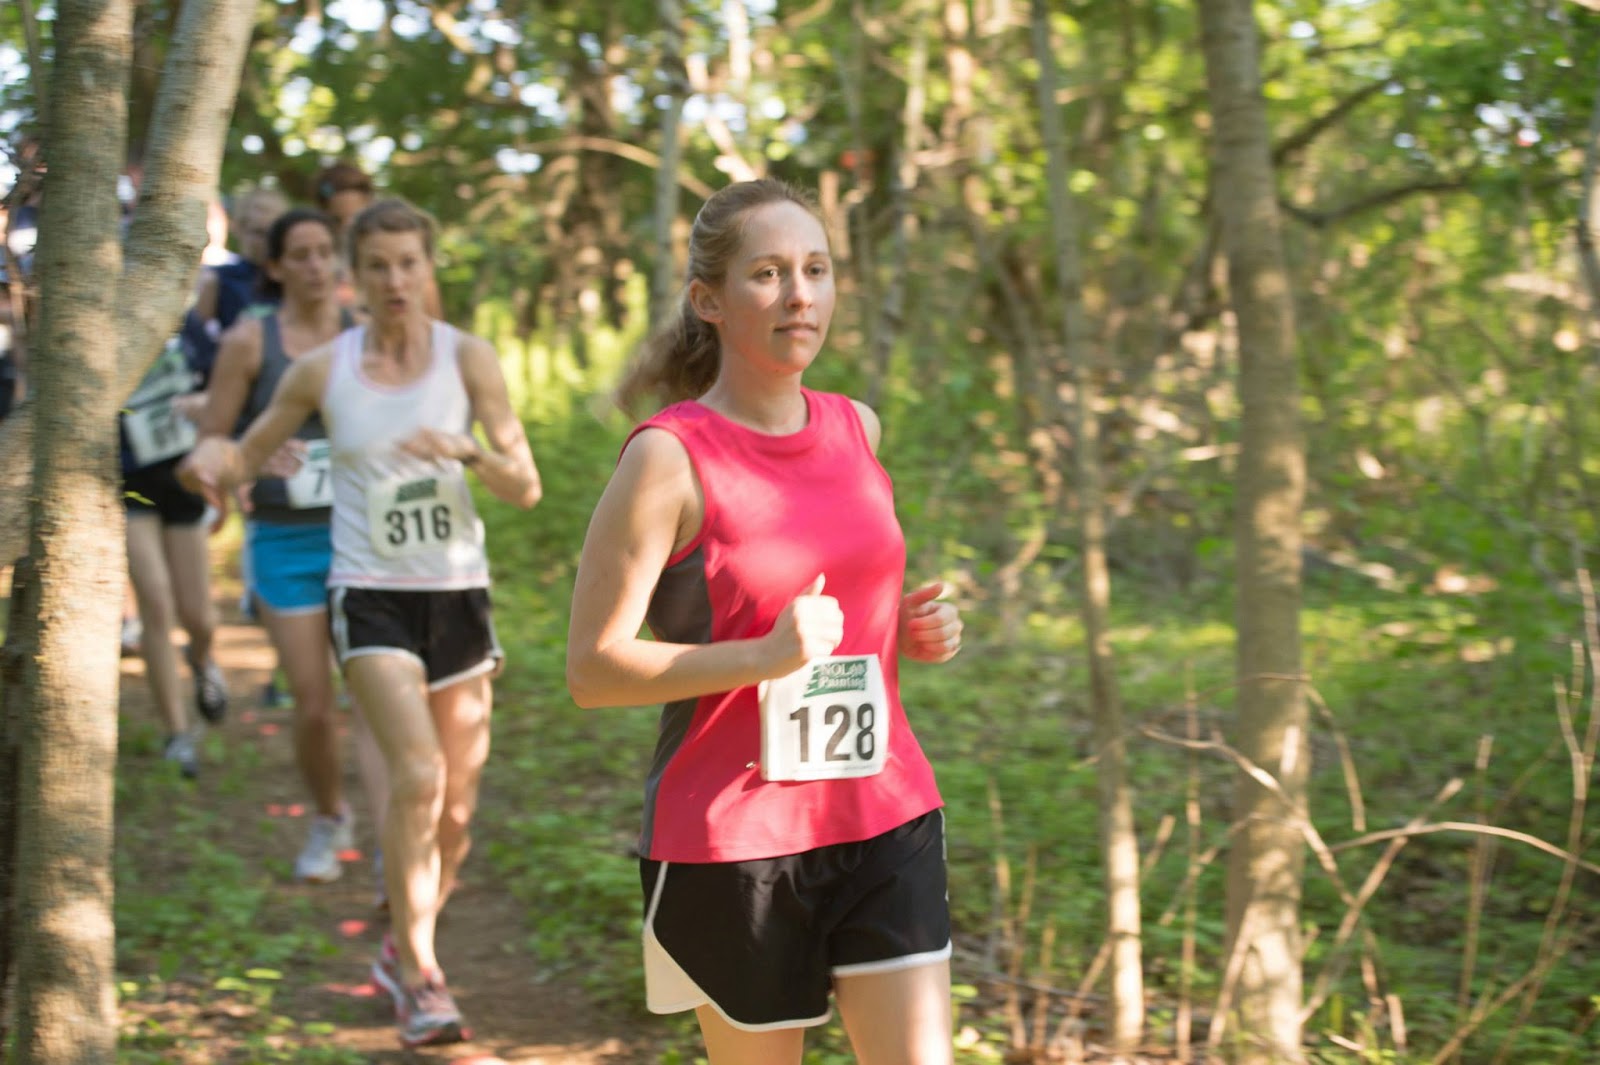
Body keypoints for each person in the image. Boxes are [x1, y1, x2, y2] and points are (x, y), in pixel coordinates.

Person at [564, 178, 965, 1065]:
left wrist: (906, 627)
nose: (800, 295)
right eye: (769, 273)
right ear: (708, 299)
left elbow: (845, 602)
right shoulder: (668, 457)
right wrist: (764, 655)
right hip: (734, 838)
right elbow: (592, 669)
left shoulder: (858, 428)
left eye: (816, 270)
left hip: (883, 808)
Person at [180, 198, 542, 1048]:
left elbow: (523, 484)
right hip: (368, 591)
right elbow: (239, 454)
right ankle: (421, 974)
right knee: (417, 772)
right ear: (355, 275)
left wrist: (472, 453)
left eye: (408, 262)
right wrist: (210, 458)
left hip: (457, 592)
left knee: (456, 811)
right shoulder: (323, 370)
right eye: (377, 265)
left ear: (428, 267)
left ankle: (402, 943)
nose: (394, 280)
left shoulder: (468, 357)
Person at [196, 207, 372, 883]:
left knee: (375, 697)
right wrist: (250, 456)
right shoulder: (249, 341)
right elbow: (210, 445)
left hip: (366, 540)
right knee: (314, 703)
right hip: (284, 541)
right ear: (274, 266)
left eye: (325, 251)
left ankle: (394, 835)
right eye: (300, 254)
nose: (316, 266)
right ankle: (330, 816)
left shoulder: (368, 335)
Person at [121, 331, 228, 778]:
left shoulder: (187, 328)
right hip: (128, 483)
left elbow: (223, 392)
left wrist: (203, 405)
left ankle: (201, 660)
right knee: (156, 603)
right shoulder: (99, 325)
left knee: (199, 617)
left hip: (184, 479)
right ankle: (178, 733)